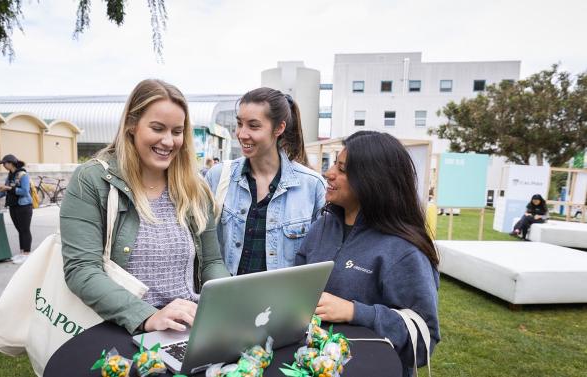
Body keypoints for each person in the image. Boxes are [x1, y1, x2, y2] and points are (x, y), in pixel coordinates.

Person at [60, 79, 230, 334]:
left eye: (176, 131)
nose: (168, 141)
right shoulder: (92, 180)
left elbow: (211, 263)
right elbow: (82, 270)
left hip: (188, 328)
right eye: (157, 128)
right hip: (123, 329)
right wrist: (148, 316)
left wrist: (230, 301)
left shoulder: (195, 187)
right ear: (131, 124)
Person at [295, 131, 440, 377]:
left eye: (342, 170)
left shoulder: (404, 250)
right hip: (314, 366)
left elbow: (424, 341)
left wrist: (355, 312)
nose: (328, 174)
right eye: (333, 165)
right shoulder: (323, 226)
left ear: (371, 181)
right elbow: (297, 284)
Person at [206, 87, 326, 276]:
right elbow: (205, 251)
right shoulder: (218, 177)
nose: (242, 134)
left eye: (253, 126)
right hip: (227, 300)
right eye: (239, 123)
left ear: (279, 128)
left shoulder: (312, 186)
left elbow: (320, 259)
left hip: (283, 303)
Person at [0, 154, 33, 264]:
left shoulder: (23, 174)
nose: (3, 165)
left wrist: (8, 188)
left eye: (4, 163)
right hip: (13, 205)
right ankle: (22, 253)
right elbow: (5, 190)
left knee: (25, 229)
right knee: (20, 229)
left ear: (11, 163)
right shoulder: (10, 175)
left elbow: (25, 191)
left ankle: (27, 254)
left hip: (24, 206)